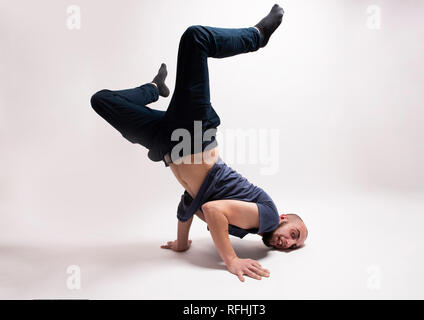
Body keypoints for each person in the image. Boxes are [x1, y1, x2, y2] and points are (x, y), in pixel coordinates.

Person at [90, 4, 308, 282]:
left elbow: (192, 204)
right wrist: (231, 260)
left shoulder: (250, 226)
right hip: (193, 136)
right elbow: (214, 210)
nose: (288, 242)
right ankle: (257, 37)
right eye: (294, 234)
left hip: (168, 143)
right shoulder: (267, 215)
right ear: (284, 218)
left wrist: (182, 243)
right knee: (195, 39)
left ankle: (154, 89)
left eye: (293, 246)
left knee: (102, 100)